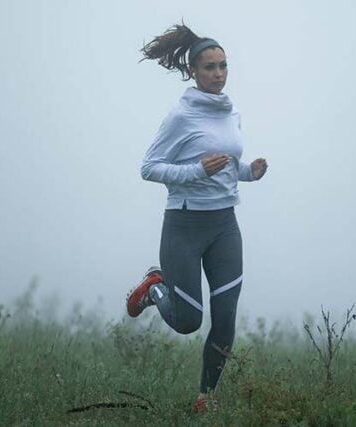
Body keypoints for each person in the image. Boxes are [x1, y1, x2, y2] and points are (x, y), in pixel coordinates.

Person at [126, 23, 268, 413]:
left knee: (225, 319)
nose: (219, 74)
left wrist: (248, 172)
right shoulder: (181, 116)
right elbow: (149, 167)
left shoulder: (231, 112)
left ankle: (206, 398)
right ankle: (155, 288)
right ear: (193, 71)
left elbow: (226, 164)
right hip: (185, 227)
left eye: (223, 66)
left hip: (225, 226)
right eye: (210, 67)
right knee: (188, 321)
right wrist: (196, 171)